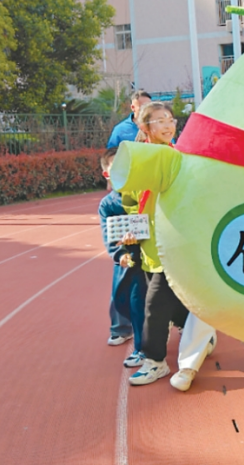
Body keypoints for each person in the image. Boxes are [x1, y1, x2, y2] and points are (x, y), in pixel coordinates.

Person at [120, 102, 190, 386]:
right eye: (159, 120)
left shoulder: (182, 157)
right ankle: (195, 332)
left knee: (155, 304)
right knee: (171, 298)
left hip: (176, 241)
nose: (168, 125)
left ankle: (155, 361)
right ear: (144, 126)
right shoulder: (137, 159)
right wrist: (131, 229)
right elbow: (130, 200)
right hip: (149, 243)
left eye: (170, 119)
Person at [98, 147, 147, 368]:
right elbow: (109, 235)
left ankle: (187, 328)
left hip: (153, 255)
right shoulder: (108, 205)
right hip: (129, 258)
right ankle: (128, 334)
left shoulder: (145, 194)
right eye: (114, 166)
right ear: (106, 173)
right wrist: (120, 254)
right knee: (125, 296)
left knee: (159, 298)